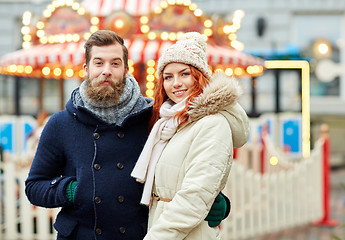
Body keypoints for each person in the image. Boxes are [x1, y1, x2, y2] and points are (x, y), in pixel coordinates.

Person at [25, 30, 229, 240]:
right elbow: (34, 186)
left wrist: (216, 199)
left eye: (115, 63)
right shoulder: (61, 123)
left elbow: (184, 167)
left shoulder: (155, 117)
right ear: (86, 68)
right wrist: (71, 190)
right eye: (98, 63)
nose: (106, 71)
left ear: (125, 69)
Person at [131, 32, 250, 239]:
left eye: (184, 74)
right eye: (168, 77)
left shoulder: (212, 124)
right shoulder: (170, 123)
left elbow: (194, 196)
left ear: (200, 77)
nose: (175, 83)